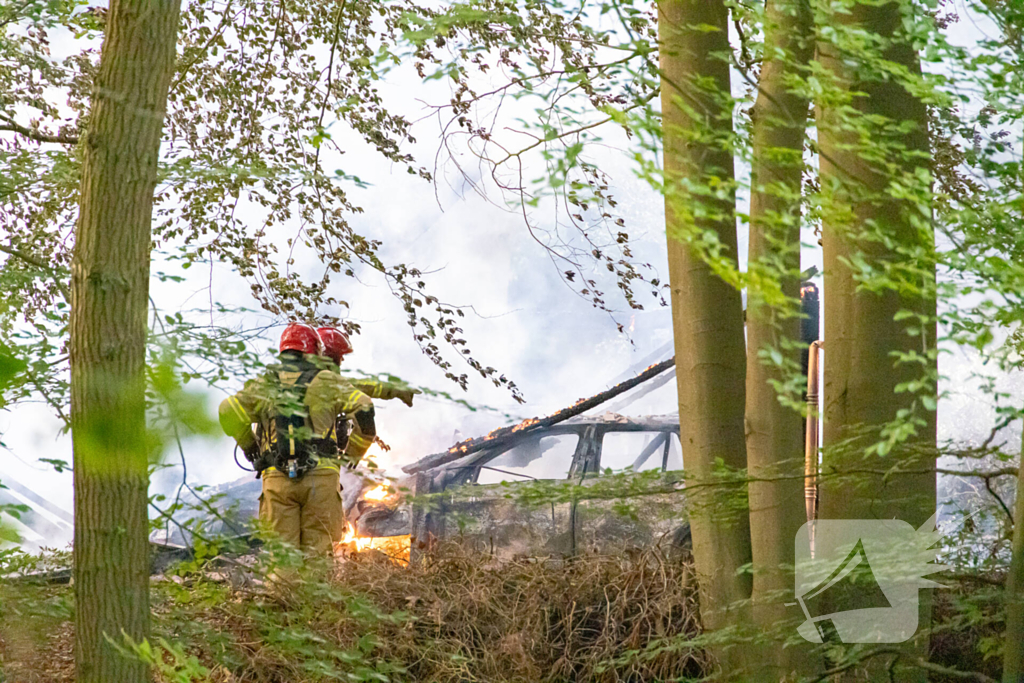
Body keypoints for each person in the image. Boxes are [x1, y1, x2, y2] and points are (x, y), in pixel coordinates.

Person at [218, 323, 377, 555]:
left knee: (282, 560)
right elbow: (364, 407)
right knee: (318, 559)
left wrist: (249, 445)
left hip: (277, 479)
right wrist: (354, 451)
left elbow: (226, 409)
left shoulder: (265, 384)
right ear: (314, 351)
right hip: (321, 480)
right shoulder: (327, 381)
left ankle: (284, 591)